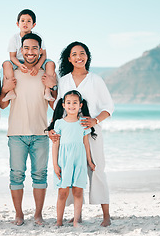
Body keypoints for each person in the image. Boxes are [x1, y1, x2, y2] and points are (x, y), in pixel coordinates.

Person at [49, 41, 114, 227]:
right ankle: (77, 215)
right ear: (69, 58)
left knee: (96, 170)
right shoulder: (64, 80)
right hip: (68, 134)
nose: (79, 57)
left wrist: (95, 120)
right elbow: (58, 107)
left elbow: (109, 107)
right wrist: (53, 130)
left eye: (82, 53)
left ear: (87, 56)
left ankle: (106, 215)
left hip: (90, 133)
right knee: (70, 172)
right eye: (74, 54)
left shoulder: (96, 80)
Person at [0, 33, 57, 226]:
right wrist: (6, 89)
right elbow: (2, 105)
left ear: (40, 51)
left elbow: (54, 106)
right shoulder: (12, 72)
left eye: (34, 49)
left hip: (41, 133)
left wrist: (53, 85)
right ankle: (19, 214)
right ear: (21, 50)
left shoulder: (45, 74)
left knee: (40, 174)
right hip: (16, 134)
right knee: (16, 174)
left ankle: (38, 215)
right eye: (26, 48)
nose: (30, 52)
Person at [47, 90, 96, 227]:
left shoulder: (83, 123)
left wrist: (90, 161)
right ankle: (58, 221)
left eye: (75, 102)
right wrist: (55, 165)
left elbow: (86, 143)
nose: (71, 105)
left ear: (80, 105)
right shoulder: (59, 123)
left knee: (78, 190)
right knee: (62, 192)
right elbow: (55, 145)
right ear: (63, 105)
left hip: (79, 160)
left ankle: (76, 221)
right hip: (64, 160)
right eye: (68, 102)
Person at [2, 9, 56, 102]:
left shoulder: (38, 36)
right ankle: (10, 91)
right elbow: (12, 57)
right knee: (6, 64)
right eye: (22, 20)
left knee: (50, 63)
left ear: (33, 25)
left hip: (36, 59)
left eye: (28, 21)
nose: (25, 23)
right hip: (19, 60)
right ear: (17, 24)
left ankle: (47, 90)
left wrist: (37, 66)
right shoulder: (14, 38)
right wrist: (19, 65)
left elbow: (43, 55)